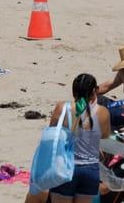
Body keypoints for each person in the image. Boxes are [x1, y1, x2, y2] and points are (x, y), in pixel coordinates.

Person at [45, 74, 111, 203]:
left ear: (73, 91)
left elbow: (52, 137)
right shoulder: (103, 112)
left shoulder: (62, 108)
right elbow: (105, 139)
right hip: (90, 169)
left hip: (65, 167)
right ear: (95, 90)